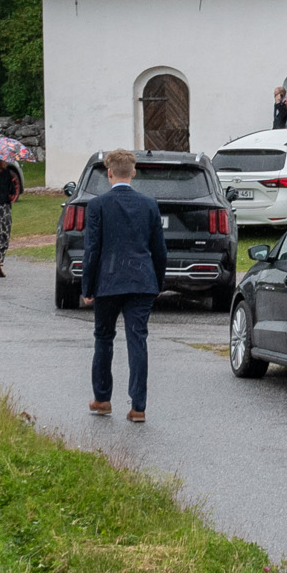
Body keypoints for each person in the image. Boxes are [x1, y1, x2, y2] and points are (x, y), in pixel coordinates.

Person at [79, 148, 167, 422]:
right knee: (137, 339)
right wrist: (158, 281)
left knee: (104, 337)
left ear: (109, 173)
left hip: (108, 279)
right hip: (142, 280)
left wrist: (87, 287)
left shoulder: (97, 205)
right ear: (133, 172)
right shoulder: (149, 205)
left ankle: (102, 398)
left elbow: (92, 249)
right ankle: (138, 406)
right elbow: (159, 249)